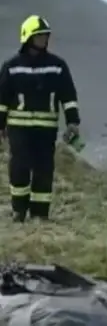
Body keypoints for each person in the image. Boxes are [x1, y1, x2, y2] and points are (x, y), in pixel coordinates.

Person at [0, 15, 81, 222]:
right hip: (19, 128)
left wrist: (73, 122)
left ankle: (40, 213)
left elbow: (68, 96)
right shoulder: (11, 67)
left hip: (46, 129)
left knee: (44, 169)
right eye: (39, 36)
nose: (44, 40)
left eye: (45, 36)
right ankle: (19, 210)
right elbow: (2, 99)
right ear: (27, 38)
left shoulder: (57, 66)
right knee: (20, 167)